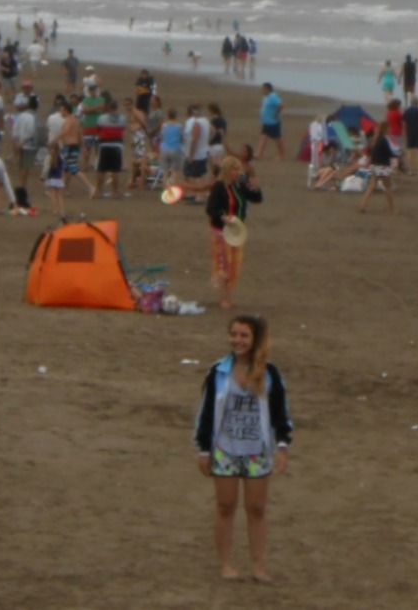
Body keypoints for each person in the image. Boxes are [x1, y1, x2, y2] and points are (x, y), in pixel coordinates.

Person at [193, 315, 292, 582]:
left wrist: (282, 445)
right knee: (225, 506)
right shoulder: (218, 371)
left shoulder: (270, 374)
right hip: (224, 448)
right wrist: (203, 449)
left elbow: (280, 412)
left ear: (255, 339)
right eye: (233, 334)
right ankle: (226, 564)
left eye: (243, 335)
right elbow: (205, 412)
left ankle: (258, 566)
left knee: (257, 508)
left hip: (256, 450)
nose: (237, 340)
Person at [206, 157, 263, 309]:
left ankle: (226, 292)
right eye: (234, 169)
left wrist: (256, 187)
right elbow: (211, 208)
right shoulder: (219, 187)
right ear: (227, 171)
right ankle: (224, 297)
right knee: (224, 263)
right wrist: (223, 217)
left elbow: (256, 198)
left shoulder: (239, 186)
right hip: (222, 231)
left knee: (234, 265)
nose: (237, 172)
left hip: (237, 231)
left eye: (238, 169)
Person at [55, 101, 94, 197]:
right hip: (74, 146)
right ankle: (62, 190)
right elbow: (80, 135)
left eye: (61, 110)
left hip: (69, 146)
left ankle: (91, 187)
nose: (60, 112)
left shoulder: (69, 120)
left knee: (74, 169)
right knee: (65, 169)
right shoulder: (75, 120)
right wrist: (83, 147)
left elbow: (66, 131)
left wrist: (54, 139)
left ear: (66, 110)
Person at [359, 121, 399, 215]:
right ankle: (391, 209)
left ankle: (363, 205)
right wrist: (397, 155)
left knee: (371, 186)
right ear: (386, 129)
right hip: (383, 166)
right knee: (388, 187)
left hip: (374, 165)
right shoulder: (384, 140)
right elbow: (389, 153)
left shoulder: (375, 139)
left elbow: (371, 152)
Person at [94, 99, 125, 198]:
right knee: (115, 170)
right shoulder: (122, 119)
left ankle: (99, 191)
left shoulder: (102, 118)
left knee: (101, 170)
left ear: (108, 108)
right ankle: (115, 192)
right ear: (117, 108)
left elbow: (98, 130)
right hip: (117, 145)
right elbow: (122, 130)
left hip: (104, 145)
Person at [11, 99, 39, 190]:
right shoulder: (33, 117)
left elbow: (15, 130)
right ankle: (23, 185)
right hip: (29, 145)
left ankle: (21, 184)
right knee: (26, 166)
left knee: (21, 165)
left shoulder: (21, 115)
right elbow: (31, 132)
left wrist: (16, 143)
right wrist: (22, 142)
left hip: (20, 142)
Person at [254, 83, 284, 161]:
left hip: (273, 122)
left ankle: (281, 155)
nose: (262, 90)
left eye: (263, 89)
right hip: (266, 122)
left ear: (268, 89)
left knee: (278, 139)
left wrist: (276, 114)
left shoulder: (273, 97)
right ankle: (258, 154)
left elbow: (280, 105)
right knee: (263, 137)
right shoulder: (266, 97)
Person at [159, 109, 185, 188]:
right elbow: (182, 138)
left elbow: (162, 136)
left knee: (165, 171)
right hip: (175, 149)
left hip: (164, 149)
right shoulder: (179, 126)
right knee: (174, 171)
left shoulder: (164, 126)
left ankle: (166, 188)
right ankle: (172, 187)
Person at [402, 95, 418, 176]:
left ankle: (410, 170)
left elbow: (404, 124)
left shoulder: (406, 111)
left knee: (410, 152)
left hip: (409, 133)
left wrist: (405, 134)